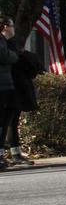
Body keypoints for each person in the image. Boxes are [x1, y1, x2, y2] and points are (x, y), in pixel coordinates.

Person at [0, 16, 20, 171]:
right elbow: (6, 56)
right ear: (5, 26)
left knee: (6, 121)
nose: (14, 28)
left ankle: (1, 155)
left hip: (7, 86)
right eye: (12, 25)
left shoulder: (6, 42)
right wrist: (13, 56)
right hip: (2, 86)